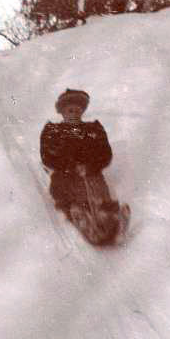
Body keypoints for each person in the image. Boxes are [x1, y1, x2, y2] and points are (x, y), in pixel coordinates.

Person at [40, 88, 122, 242]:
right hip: (65, 174)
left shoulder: (93, 129)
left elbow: (105, 153)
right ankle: (81, 216)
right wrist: (70, 166)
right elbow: (47, 157)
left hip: (91, 172)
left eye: (78, 110)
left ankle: (107, 218)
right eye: (70, 110)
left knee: (96, 186)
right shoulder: (52, 130)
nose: (74, 113)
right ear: (62, 112)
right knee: (70, 190)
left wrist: (90, 165)